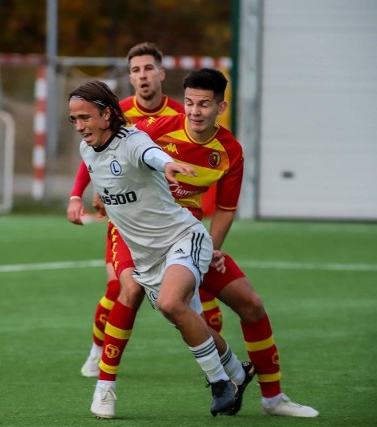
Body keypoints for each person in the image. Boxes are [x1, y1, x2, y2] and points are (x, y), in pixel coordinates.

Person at [68, 61, 318, 417]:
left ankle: (271, 398)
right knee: (130, 291)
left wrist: (214, 248)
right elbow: (111, 151)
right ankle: (104, 383)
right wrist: (86, 193)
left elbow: (226, 209)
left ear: (220, 107)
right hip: (135, 232)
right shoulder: (155, 128)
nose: (195, 111)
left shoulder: (229, 151)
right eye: (189, 102)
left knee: (250, 304)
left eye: (204, 104)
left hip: (185, 232)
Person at [68, 80, 244, 419]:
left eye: (85, 118)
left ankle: (220, 382)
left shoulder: (132, 140)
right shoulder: (87, 150)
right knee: (185, 319)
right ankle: (238, 372)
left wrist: (167, 165)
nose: (79, 126)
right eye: (73, 120)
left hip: (182, 237)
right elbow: (108, 181)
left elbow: (150, 153)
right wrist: (92, 197)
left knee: (169, 303)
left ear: (106, 114)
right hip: (147, 257)